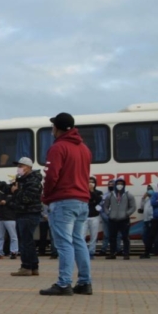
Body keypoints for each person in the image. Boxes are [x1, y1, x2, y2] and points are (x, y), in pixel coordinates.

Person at [40, 112, 92, 296]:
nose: (52, 129)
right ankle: (85, 282)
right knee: (79, 241)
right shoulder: (84, 148)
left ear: (57, 128)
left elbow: (51, 175)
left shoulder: (58, 147)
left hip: (63, 200)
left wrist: (46, 196)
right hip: (82, 201)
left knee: (64, 244)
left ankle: (64, 284)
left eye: (53, 126)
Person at [0, 157, 43, 276]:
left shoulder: (33, 180)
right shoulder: (21, 180)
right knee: (28, 241)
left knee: (25, 241)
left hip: (29, 213)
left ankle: (26, 267)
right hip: (22, 213)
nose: (18, 168)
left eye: (21, 166)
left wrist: (16, 192)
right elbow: (9, 189)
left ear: (28, 167)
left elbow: (26, 198)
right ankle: (33, 267)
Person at [100, 178, 137, 260]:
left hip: (124, 220)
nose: (119, 185)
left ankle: (126, 254)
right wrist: (109, 214)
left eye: (121, 183)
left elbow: (133, 207)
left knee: (125, 237)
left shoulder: (128, 195)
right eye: (118, 183)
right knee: (112, 237)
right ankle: (112, 254)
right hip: (112, 219)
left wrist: (127, 214)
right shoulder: (110, 195)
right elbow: (105, 206)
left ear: (124, 185)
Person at [0, 180, 19, 259]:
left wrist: (6, 203)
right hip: (0, 218)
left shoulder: (14, 194)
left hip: (10, 218)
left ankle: (14, 251)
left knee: (13, 236)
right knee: (0, 237)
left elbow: (16, 205)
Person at [84, 177, 103, 256]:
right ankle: (83, 252)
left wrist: (92, 191)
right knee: (82, 236)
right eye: (89, 182)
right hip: (84, 217)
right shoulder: (83, 192)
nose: (91, 184)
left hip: (94, 217)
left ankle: (91, 252)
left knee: (93, 236)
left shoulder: (98, 192)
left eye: (92, 182)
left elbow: (99, 201)